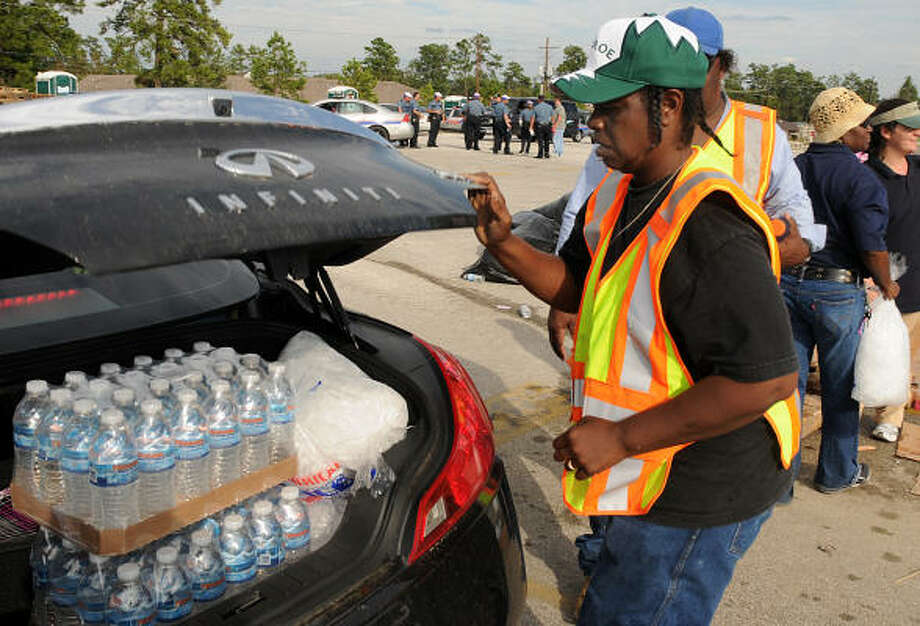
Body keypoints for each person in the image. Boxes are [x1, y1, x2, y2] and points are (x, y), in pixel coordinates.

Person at [467, 16, 799, 624]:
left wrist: (620, 438)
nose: (589, 120)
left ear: (668, 106)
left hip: (702, 483)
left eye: (607, 107)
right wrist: (504, 242)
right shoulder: (618, 192)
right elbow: (577, 285)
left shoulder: (711, 224)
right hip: (651, 466)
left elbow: (765, 381)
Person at [784, 87, 896, 494]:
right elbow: (872, 245)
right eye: (864, 124)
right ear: (846, 132)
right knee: (842, 388)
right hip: (836, 291)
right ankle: (835, 473)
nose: (870, 130)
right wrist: (886, 282)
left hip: (786, 283)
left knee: (786, 388)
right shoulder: (861, 179)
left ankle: (779, 482)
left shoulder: (792, 166)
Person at [864, 99, 920, 442]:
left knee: (905, 356)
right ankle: (852, 413)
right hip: (876, 284)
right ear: (886, 132)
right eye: (909, 126)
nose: (917, 132)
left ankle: (891, 417)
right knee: (868, 353)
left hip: (916, 285)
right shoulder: (867, 178)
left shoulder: (919, 168)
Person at [532, 94, 554, 158]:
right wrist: (551, 124)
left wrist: (531, 127)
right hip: (547, 125)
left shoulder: (536, 107)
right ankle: (547, 153)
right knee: (547, 140)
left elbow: (533, 118)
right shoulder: (550, 107)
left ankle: (540, 154)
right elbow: (553, 117)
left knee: (540, 140)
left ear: (538, 99)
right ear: (544, 99)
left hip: (539, 126)